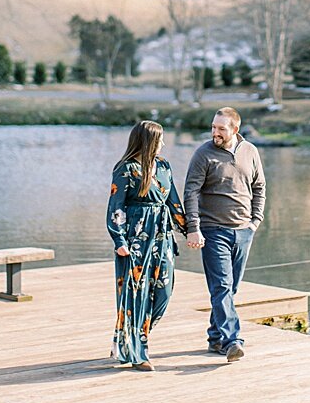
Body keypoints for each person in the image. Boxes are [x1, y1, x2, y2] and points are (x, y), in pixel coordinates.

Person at [184, 107, 266, 363]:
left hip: (243, 231)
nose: (215, 133)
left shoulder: (250, 151)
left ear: (235, 130)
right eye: (213, 127)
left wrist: (255, 221)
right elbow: (190, 192)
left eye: (221, 129)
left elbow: (259, 186)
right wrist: (193, 227)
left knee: (231, 289)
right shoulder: (203, 154)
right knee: (221, 287)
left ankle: (215, 337)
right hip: (213, 230)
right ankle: (233, 341)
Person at [106, 120, 188, 371]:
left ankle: (126, 340)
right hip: (136, 240)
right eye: (160, 139)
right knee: (135, 297)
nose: (163, 143)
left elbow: (173, 201)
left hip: (162, 237)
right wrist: (120, 241)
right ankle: (137, 352)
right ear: (148, 141)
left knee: (164, 291)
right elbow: (115, 207)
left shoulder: (164, 166)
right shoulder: (126, 169)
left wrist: (190, 230)